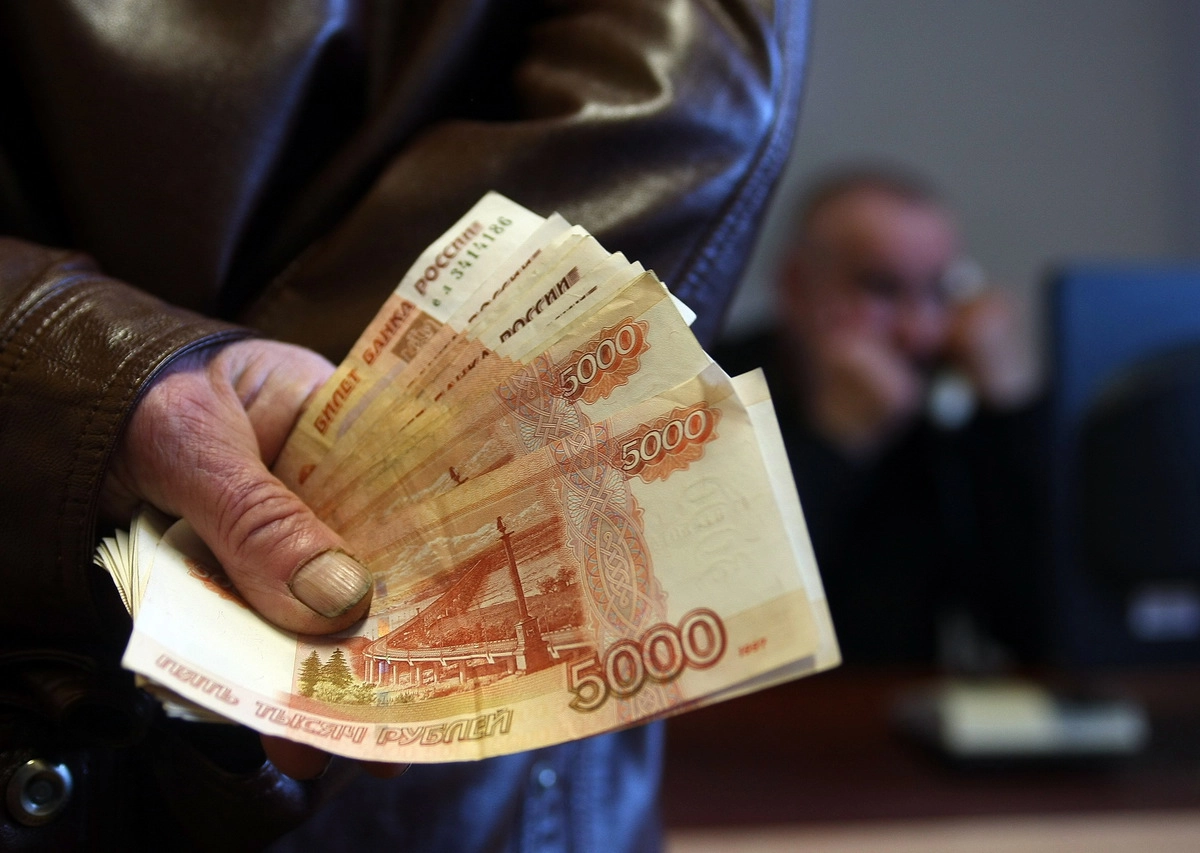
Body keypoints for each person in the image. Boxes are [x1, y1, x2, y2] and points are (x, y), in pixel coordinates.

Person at [0, 2, 809, 849]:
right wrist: (100, 383)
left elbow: (670, 119)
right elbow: (683, 122)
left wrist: (86, 395)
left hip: (430, 797)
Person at [716, 167, 1047, 667]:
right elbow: (725, 625)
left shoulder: (948, 405)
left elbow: (1038, 627)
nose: (920, 330)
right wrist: (834, 443)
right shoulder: (709, 389)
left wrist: (1012, 415)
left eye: (939, 291)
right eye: (881, 289)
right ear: (796, 286)